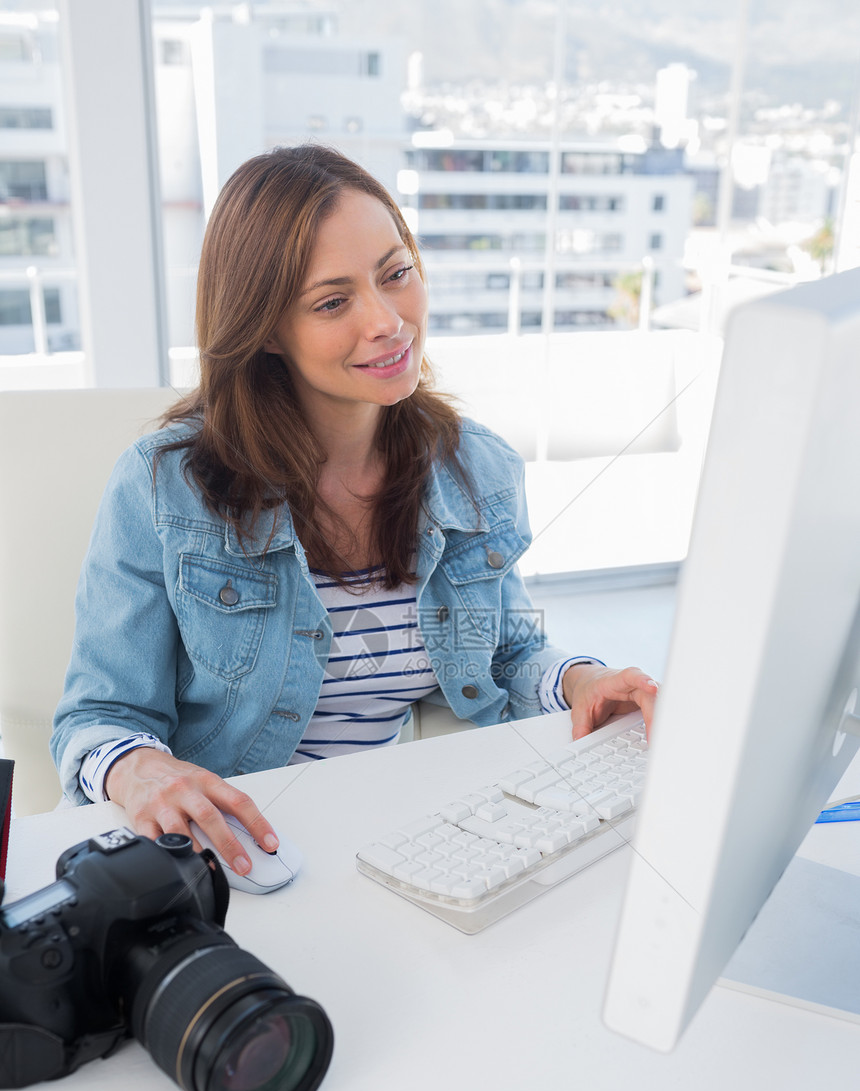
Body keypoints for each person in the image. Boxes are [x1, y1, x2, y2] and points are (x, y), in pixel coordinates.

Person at [51, 144, 657, 878]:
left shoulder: (476, 467)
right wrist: (139, 770)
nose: (387, 321)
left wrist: (581, 681)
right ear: (266, 328)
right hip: (225, 852)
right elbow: (98, 720)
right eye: (334, 302)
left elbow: (505, 650)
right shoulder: (162, 486)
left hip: (397, 839)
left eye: (395, 274)